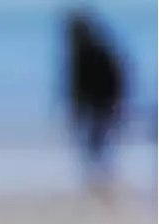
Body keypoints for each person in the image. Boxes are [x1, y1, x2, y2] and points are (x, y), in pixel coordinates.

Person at [63, 7, 129, 201]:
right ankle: (99, 183)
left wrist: (116, 104)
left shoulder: (93, 51)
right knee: (96, 146)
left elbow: (113, 79)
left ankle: (102, 183)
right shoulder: (87, 51)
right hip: (98, 107)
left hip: (102, 107)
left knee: (97, 146)